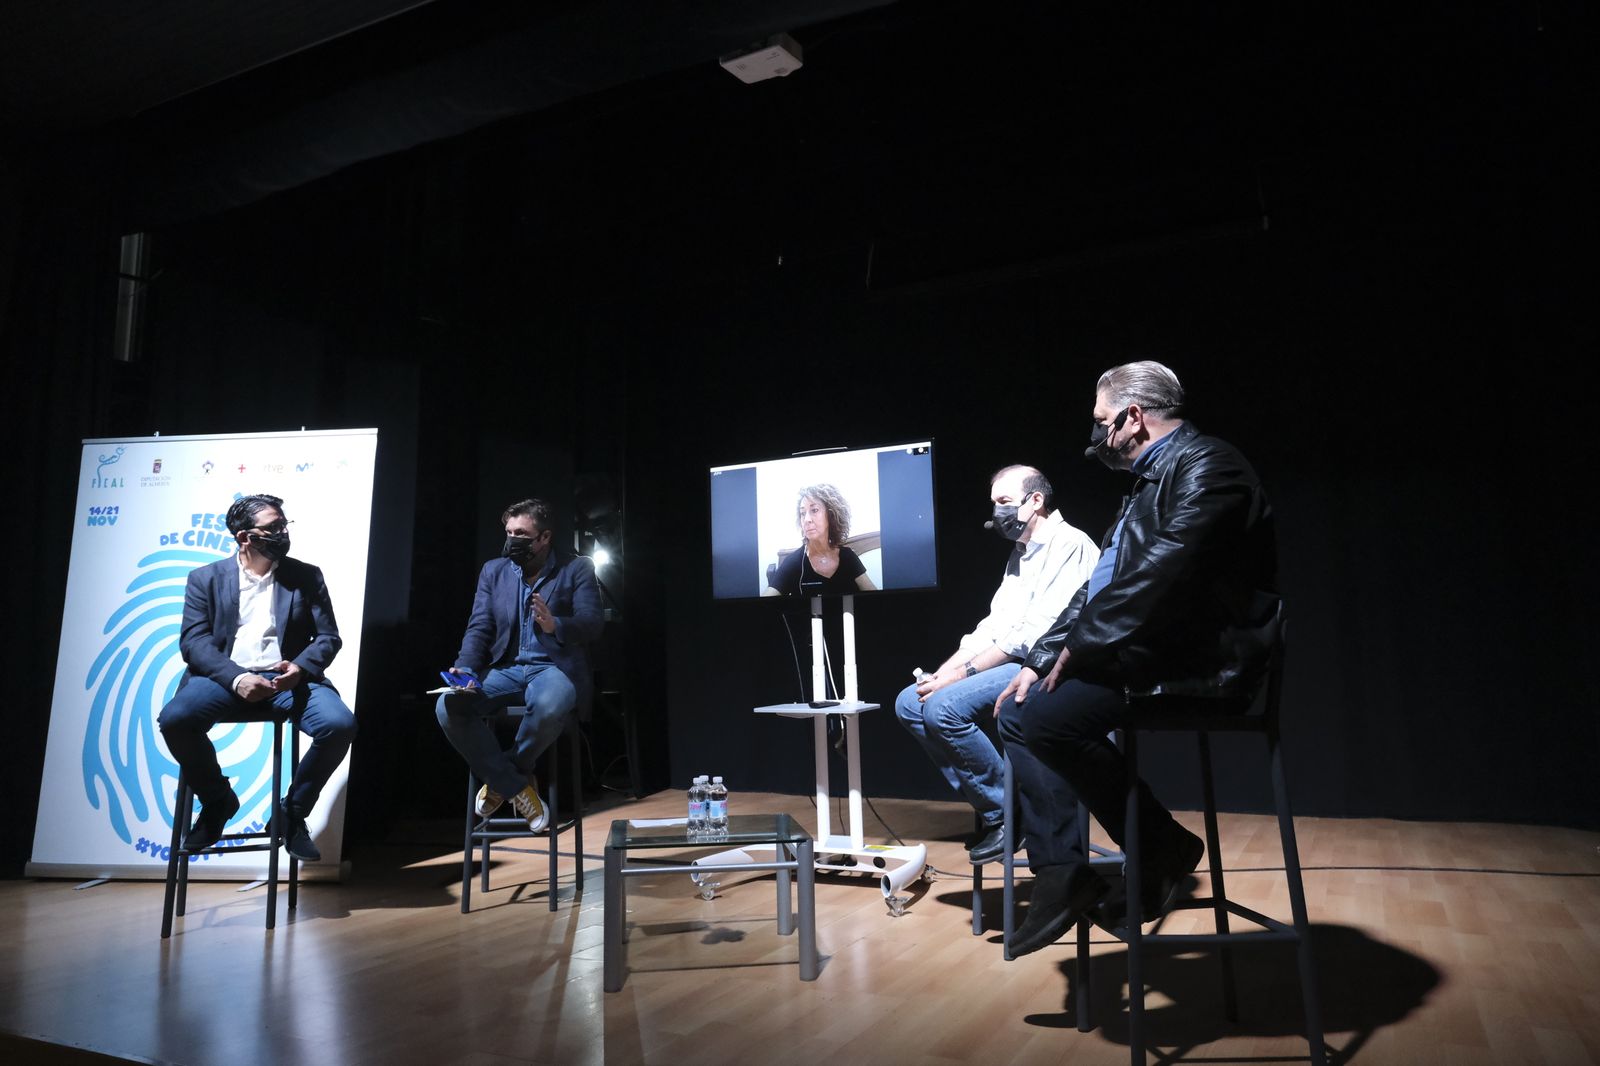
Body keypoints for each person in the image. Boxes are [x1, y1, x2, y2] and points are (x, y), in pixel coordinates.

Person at [995, 360, 1280, 957]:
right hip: (1152, 650)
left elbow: (1164, 573)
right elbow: (1100, 583)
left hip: (1204, 662)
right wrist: (1042, 655)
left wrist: (1079, 647)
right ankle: (1066, 872)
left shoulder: (1210, 465)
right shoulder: (1146, 483)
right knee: (1020, 707)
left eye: (1102, 421)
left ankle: (1156, 849)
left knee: (1043, 718)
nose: (1098, 434)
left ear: (1132, 416)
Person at [894, 465, 1098, 863]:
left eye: (1004, 502)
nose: (997, 513)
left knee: (944, 707)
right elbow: (993, 628)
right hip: (1011, 658)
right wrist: (943, 672)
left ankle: (1007, 814)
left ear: (1035, 501)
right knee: (910, 702)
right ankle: (1002, 807)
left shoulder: (1070, 544)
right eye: (994, 504)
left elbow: (1032, 637)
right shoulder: (1020, 554)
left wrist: (958, 677)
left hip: (1047, 667)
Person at [158, 493, 357, 862]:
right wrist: (236, 679)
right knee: (176, 719)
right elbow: (194, 642)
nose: (282, 532)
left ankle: (292, 813)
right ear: (245, 537)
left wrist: (300, 667)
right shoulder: (205, 578)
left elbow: (329, 637)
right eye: (273, 527)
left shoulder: (305, 576)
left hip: (288, 680)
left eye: (284, 524)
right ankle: (218, 802)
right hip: (224, 679)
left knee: (339, 724)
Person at [436, 498, 603, 831]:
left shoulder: (577, 568)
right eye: (509, 532)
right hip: (506, 669)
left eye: (522, 533)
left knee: (549, 704)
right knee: (447, 705)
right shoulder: (494, 572)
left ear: (544, 538)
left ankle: (503, 779)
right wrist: (465, 668)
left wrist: (556, 625)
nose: (513, 539)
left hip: (553, 668)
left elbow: (593, 623)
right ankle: (517, 787)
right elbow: (480, 625)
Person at [762, 483, 878, 596]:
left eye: (814, 510)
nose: (807, 519)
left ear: (831, 514)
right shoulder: (794, 562)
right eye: (802, 513)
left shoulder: (847, 557)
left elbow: (877, 599)